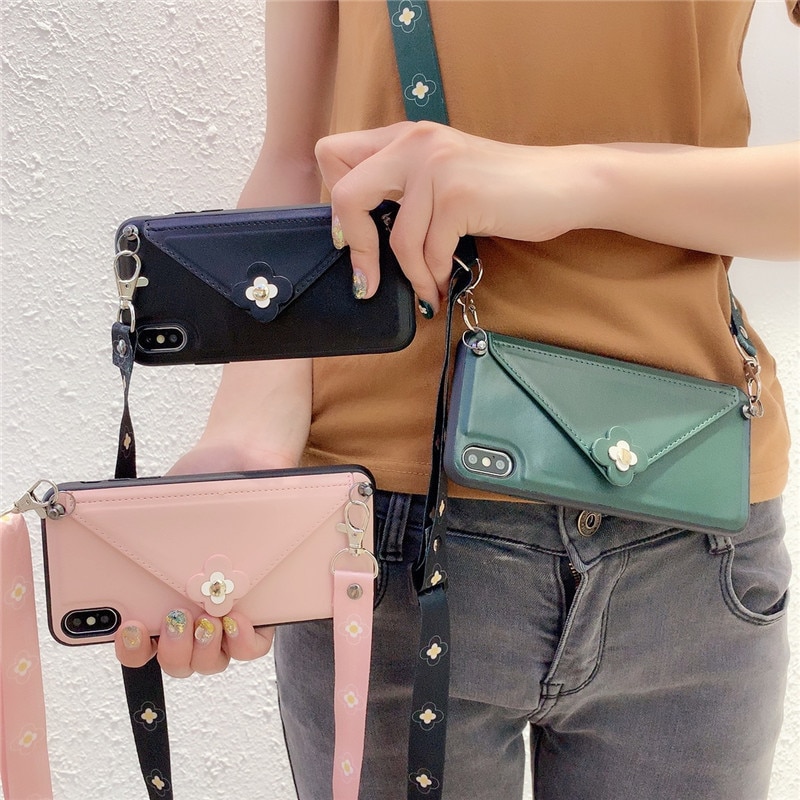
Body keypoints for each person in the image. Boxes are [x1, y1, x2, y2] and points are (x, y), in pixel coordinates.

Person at [116, 2, 800, 798]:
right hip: (387, 540)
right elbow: (301, 165)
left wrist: (562, 180)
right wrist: (247, 441)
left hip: (693, 547)